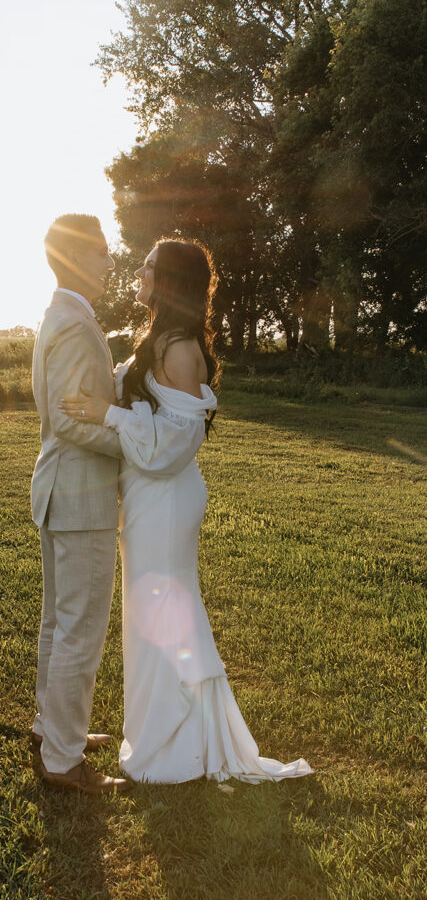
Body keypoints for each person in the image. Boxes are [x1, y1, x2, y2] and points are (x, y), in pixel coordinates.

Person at [61, 239, 312, 784]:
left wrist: (109, 414)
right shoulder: (159, 340)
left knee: (163, 615)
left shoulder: (178, 349)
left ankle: (172, 749)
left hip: (168, 497)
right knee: (151, 615)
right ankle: (161, 736)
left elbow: (177, 442)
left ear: (170, 279)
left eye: (150, 266)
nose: (140, 271)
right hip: (150, 496)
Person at [30, 213, 131, 794]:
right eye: (98, 252)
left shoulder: (63, 316)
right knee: (80, 627)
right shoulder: (71, 323)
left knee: (57, 623)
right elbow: (70, 420)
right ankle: (64, 761)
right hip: (79, 496)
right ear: (73, 259)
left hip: (61, 491)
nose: (108, 261)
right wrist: (134, 438)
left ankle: (53, 728)